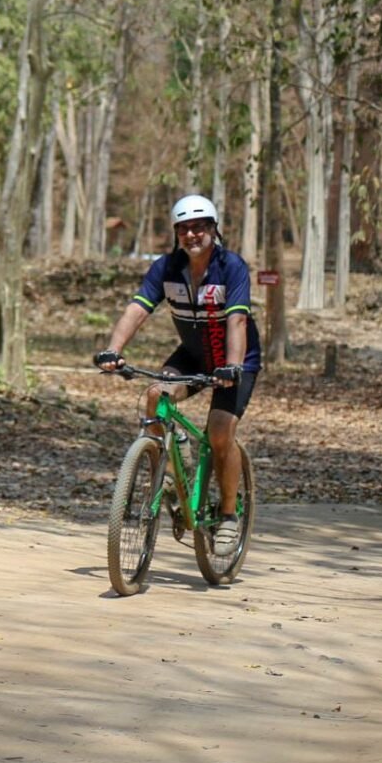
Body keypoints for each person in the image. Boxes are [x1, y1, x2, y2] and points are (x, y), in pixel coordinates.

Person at [93, 194, 261, 553]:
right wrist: (114, 350)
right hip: (193, 354)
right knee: (155, 395)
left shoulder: (230, 266)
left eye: (199, 227)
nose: (191, 234)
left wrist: (231, 367)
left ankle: (229, 516)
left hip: (236, 358)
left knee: (219, 433)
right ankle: (168, 469)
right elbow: (138, 309)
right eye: (183, 228)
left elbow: (237, 319)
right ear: (176, 234)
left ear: (213, 230)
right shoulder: (165, 268)